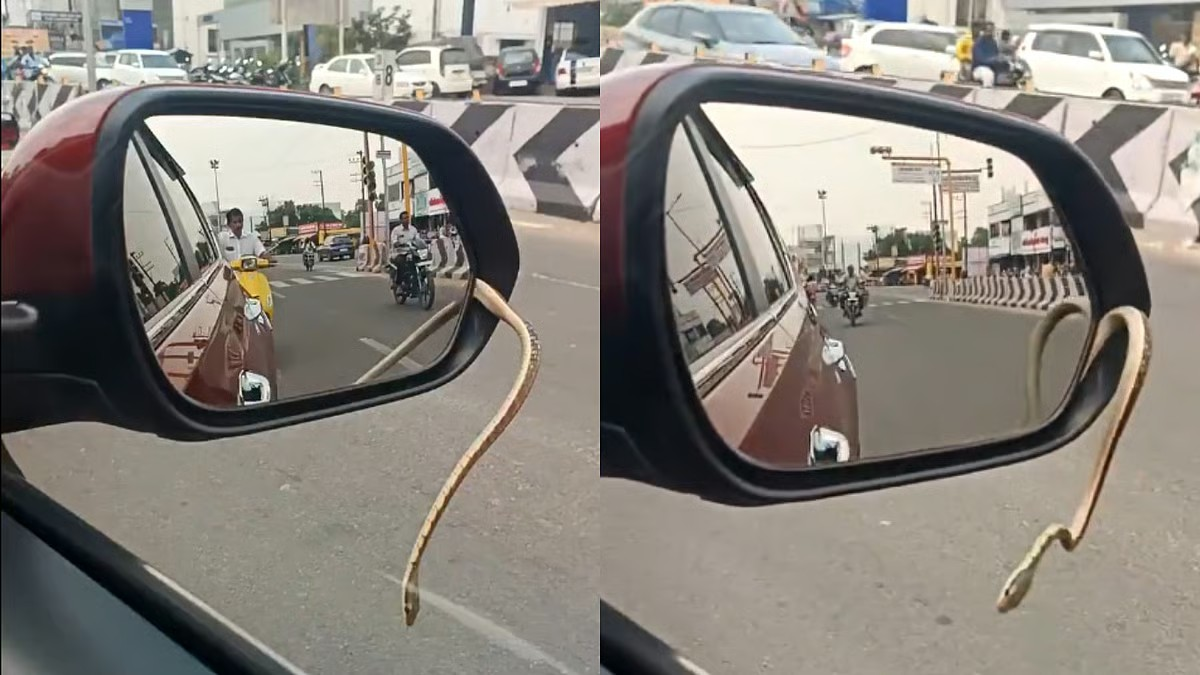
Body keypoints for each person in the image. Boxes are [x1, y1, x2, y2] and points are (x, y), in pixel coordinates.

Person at [971, 23, 1005, 88]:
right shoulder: (979, 43)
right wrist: (994, 59)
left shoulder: (993, 42)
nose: (990, 32)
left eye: (992, 30)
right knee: (988, 74)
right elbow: (980, 59)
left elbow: (997, 56)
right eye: (988, 30)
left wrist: (1003, 60)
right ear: (984, 31)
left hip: (992, 68)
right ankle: (986, 93)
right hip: (979, 68)